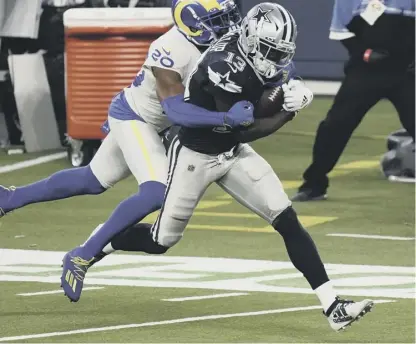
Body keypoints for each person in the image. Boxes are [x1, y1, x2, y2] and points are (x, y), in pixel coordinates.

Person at [61, 2, 374, 332]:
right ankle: (103, 243)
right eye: (270, 50)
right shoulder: (223, 65)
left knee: (287, 219)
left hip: (233, 153)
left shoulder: (256, 48)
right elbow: (248, 127)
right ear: (253, 42)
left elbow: (281, 72)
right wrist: (287, 112)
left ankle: (333, 306)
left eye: (281, 51)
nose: (276, 58)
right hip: (196, 154)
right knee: (161, 240)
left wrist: (294, 85)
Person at [1, 1, 251, 256]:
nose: (229, 26)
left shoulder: (215, 45)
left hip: (154, 122)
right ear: (193, 25)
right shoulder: (172, 49)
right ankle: (86, 252)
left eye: (228, 17)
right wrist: (225, 118)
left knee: (92, 180)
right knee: (157, 192)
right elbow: (176, 110)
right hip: (137, 117)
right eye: (218, 20)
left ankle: (11, 199)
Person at [292, 0, 415, 202]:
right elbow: (342, 31)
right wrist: (364, 53)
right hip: (365, 72)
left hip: (406, 72)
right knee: (335, 125)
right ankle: (314, 184)